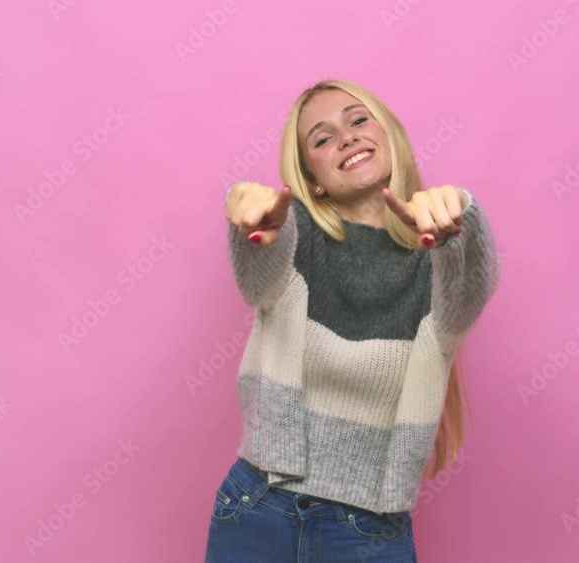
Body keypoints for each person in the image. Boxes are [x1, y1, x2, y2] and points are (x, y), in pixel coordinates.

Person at [205, 79, 501, 562]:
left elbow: (470, 282)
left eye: (359, 119)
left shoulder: (438, 263)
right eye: (321, 139)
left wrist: (459, 220)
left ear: (390, 135)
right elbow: (259, 271)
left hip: (367, 533)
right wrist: (249, 216)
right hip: (258, 507)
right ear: (313, 178)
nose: (346, 137)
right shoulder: (293, 234)